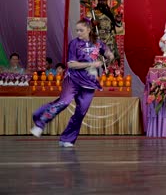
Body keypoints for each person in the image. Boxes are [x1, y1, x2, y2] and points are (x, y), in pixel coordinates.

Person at [30, 19, 114, 147]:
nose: (78, 33)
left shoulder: (97, 43)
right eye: (77, 30)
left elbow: (107, 51)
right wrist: (91, 64)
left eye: (81, 30)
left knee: (81, 112)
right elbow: (71, 64)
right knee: (64, 102)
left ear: (89, 30)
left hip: (89, 83)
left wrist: (109, 54)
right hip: (73, 79)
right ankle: (40, 121)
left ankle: (67, 139)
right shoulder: (74, 43)